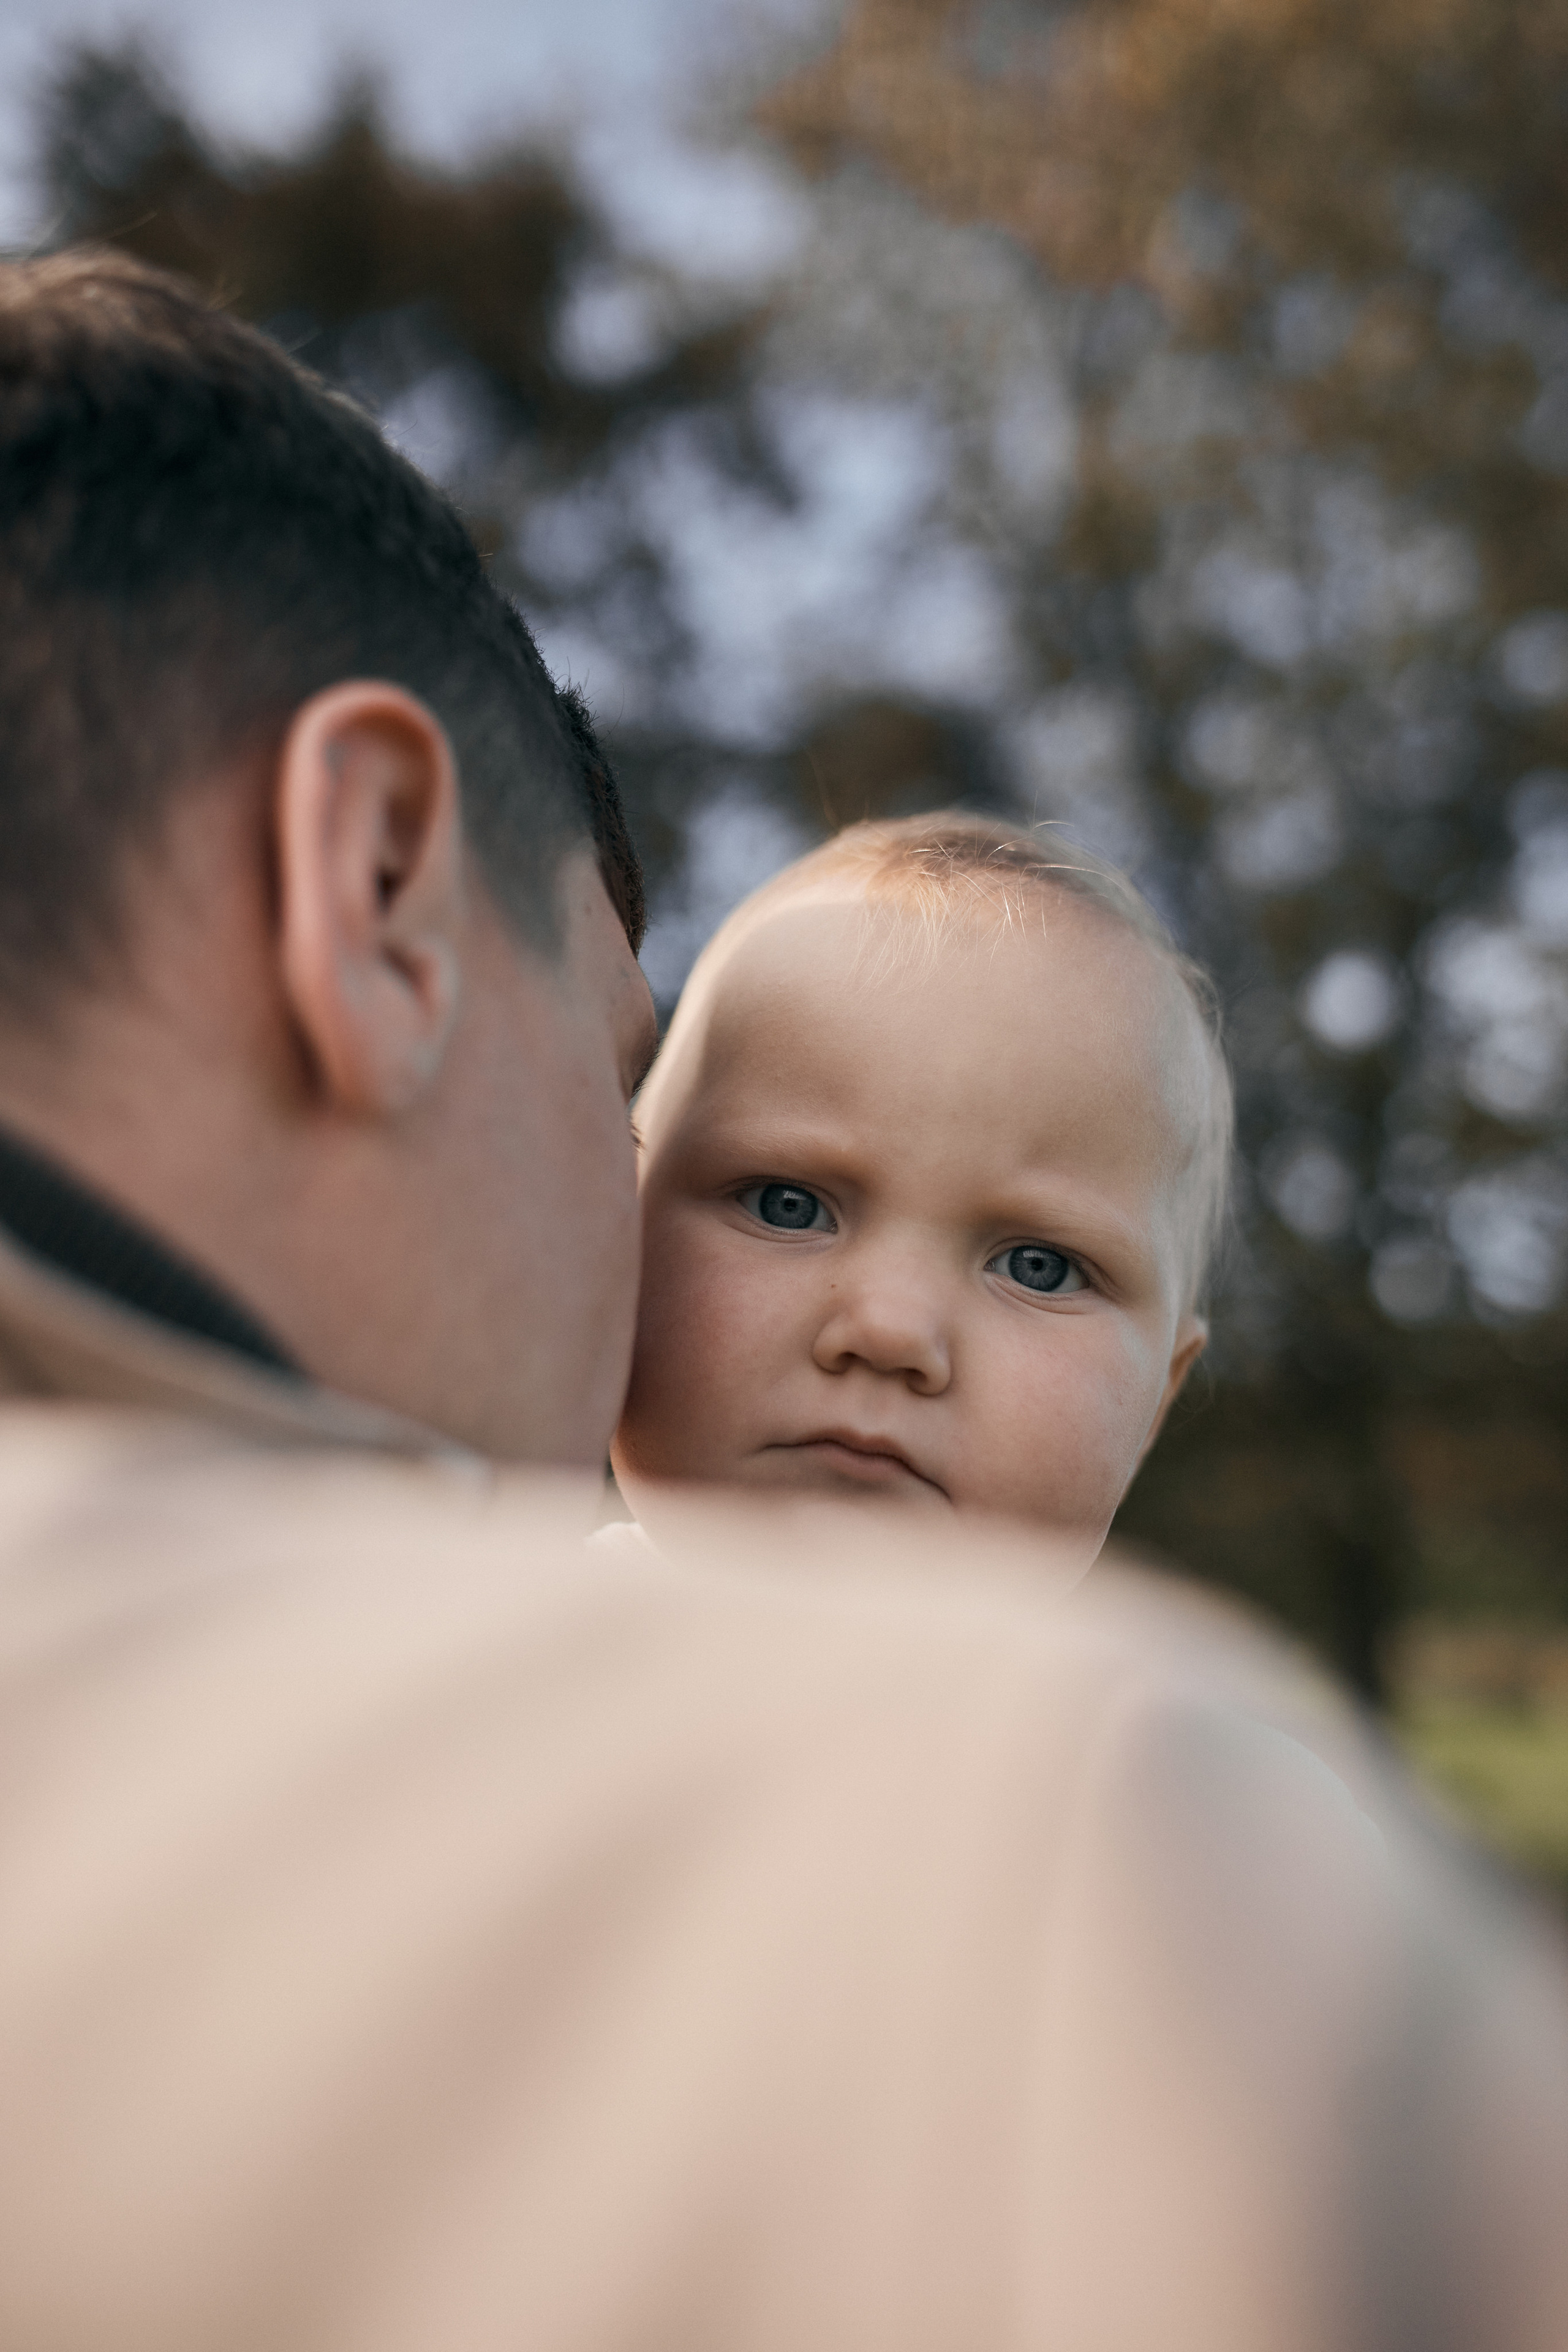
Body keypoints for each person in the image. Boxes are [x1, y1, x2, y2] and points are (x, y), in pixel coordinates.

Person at [0, 247, 1564, 2352]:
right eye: (740, 1176)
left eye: (1039, 1264)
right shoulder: (1104, 1867)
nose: (893, 1331)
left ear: (1167, 1382)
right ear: (375, 890)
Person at [614, 815, 1227, 1564]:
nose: (890, 1331)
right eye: (788, 1205)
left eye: (1039, 1266)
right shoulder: (476, 1645)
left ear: (1155, 1405)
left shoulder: (1142, 1684)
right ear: (618, 1229)